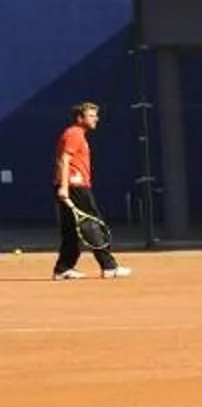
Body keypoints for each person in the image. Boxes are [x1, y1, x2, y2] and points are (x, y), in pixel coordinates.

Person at [51, 101, 128, 280]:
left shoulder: (78, 134)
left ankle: (63, 268)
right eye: (92, 116)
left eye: (96, 115)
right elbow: (64, 160)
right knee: (93, 225)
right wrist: (64, 187)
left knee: (71, 231)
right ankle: (109, 267)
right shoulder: (74, 134)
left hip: (71, 186)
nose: (96, 119)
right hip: (74, 188)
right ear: (80, 118)